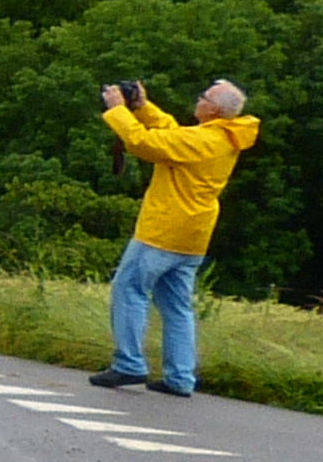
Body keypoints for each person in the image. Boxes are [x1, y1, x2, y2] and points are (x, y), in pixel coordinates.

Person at [91, 77, 259, 397]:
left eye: (202, 97)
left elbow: (146, 144)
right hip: (193, 236)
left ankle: (129, 364)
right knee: (176, 305)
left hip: (164, 230)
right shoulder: (223, 137)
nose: (197, 100)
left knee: (129, 289)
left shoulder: (204, 141)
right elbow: (173, 133)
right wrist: (143, 108)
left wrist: (118, 111)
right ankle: (180, 377)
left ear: (212, 110)